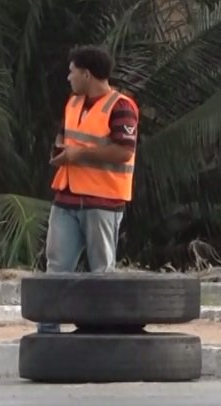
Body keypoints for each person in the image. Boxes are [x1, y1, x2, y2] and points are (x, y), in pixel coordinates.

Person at [38, 45, 140, 334]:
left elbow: (123, 151)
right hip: (67, 197)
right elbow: (64, 138)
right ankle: (47, 333)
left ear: (86, 73)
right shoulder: (72, 103)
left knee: (101, 273)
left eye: (72, 72)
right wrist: (59, 154)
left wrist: (79, 155)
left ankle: (101, 333)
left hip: (103, 202)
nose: (68, 77)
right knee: (57, 268)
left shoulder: (121, 106)